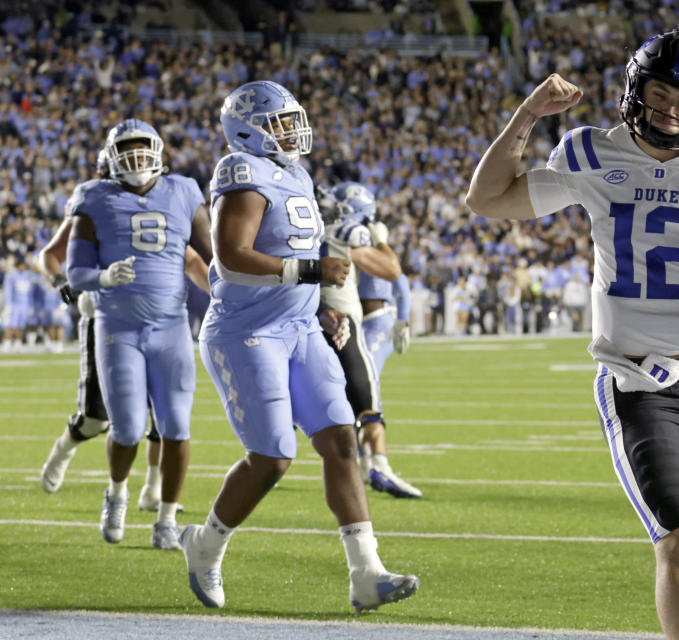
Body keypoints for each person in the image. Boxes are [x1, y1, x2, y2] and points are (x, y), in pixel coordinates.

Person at [465, 29, 679, 640]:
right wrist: (526, 115)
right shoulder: (591, 155)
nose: (672, 112)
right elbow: (487, 199)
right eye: (660, 93)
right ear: (634, 87)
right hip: (635, 384)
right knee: (678, 550)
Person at [181, 80, 418, 611]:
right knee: (272, 457)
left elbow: (287, 261)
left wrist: (318, 304)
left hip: (300, 327)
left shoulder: (297, 174)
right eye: (281, 122)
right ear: (249, 128)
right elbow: (231, 258)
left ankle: (366, 573)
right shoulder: (238, 170)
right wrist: (311, 270)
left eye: (292, 120)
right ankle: (205, 544)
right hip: (246, 333)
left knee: (340, 440)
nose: (293, 130)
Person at [64, 118, 213, 550]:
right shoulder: (94, 198)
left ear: (159, 151)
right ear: (110, 159)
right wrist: (104, 277)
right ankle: (116, 493)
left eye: (141, 148)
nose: (135, 158)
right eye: (125, 149)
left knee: (176, 426)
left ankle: (166, 517)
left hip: (170, 326)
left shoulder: (184, 191)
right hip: (118, 327)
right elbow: (75, 272)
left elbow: (211, 254)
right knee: (127, 428)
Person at [38, 169, 209, 504]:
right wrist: (65, 284)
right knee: (97, 420)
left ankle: (152, 487)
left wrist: (220, 296)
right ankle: (64, 448)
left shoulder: (158, 206)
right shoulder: (96, 205)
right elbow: (51, 255)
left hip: (159, 321)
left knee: (165, 410)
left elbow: (189, 259)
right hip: (107, 320)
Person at [322, 182, 420, 499]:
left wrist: (402, 319)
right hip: (349, 321)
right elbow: (395, 272)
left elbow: (398, 279)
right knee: (360, 394)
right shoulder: (348, 235)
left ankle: (370, 466)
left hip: (364, 321)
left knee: (359, 390)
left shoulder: (332, 234)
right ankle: (373, 465)